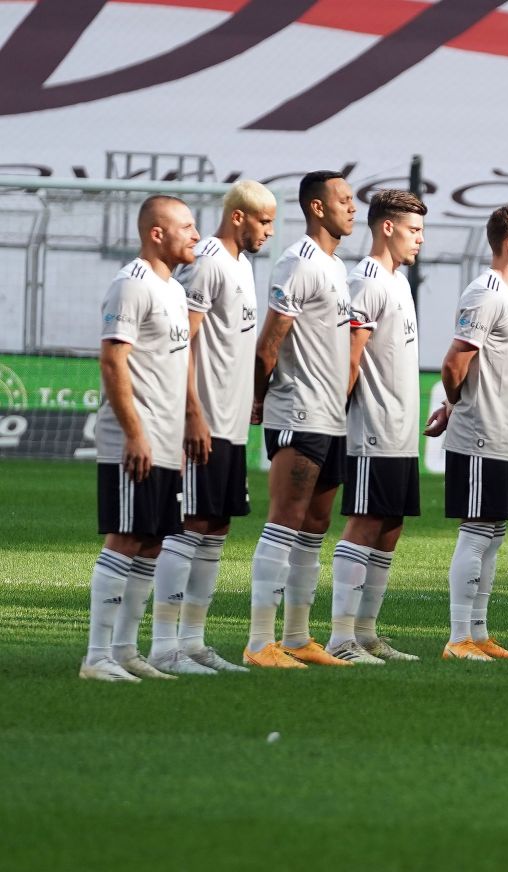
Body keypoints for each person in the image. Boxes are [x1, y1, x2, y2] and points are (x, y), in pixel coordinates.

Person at [147, 181, 274, 675]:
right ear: (239, 217)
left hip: (231, 424)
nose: (269, 231)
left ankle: (194, 643)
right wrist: (191, 413)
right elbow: (185, 341)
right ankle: (164, 647)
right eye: (263, 221)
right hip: (203, 422)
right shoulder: (208, 261)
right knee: (191, 525)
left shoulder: (242, 265)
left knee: (216, 528)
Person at [81, 195, 199, 682]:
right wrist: (135, 434)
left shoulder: (171, 288)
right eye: (187, 227)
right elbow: (112, 360)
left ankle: (126, 651)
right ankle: (96, 656)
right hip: (137, 439)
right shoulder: (131, 285)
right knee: (126, 538)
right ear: (157, 233)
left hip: (167, 440)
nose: (195, 235)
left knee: (152, 541)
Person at [246, 171, 358, 668]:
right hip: (298, 409)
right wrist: (257, 399)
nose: (352, 209)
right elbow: (270, 341)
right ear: (317, 208)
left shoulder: (335, 266)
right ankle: (258, 641)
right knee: (286, 519)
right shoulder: (298, 262)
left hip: (333, 416)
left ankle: (296, 637)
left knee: (315, 524)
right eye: (343, 200)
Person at [430, 206, 508, 661]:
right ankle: (459, 638)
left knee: (493, 532)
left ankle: (478, 633)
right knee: (477, 531)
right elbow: (455, 362)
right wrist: (457, 404)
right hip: (478, 434)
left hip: (500, 436)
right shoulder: (486, 293)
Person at [326, 190, 427, 664]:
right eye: (414, 230)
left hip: (400, 431)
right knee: (364, 523)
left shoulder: (398, 283)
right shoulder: (364, 281)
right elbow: (350, 357)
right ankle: (340, 638)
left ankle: (366, 634)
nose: (420, 240)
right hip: (371, 427)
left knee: (390, 526)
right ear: (387, 227)